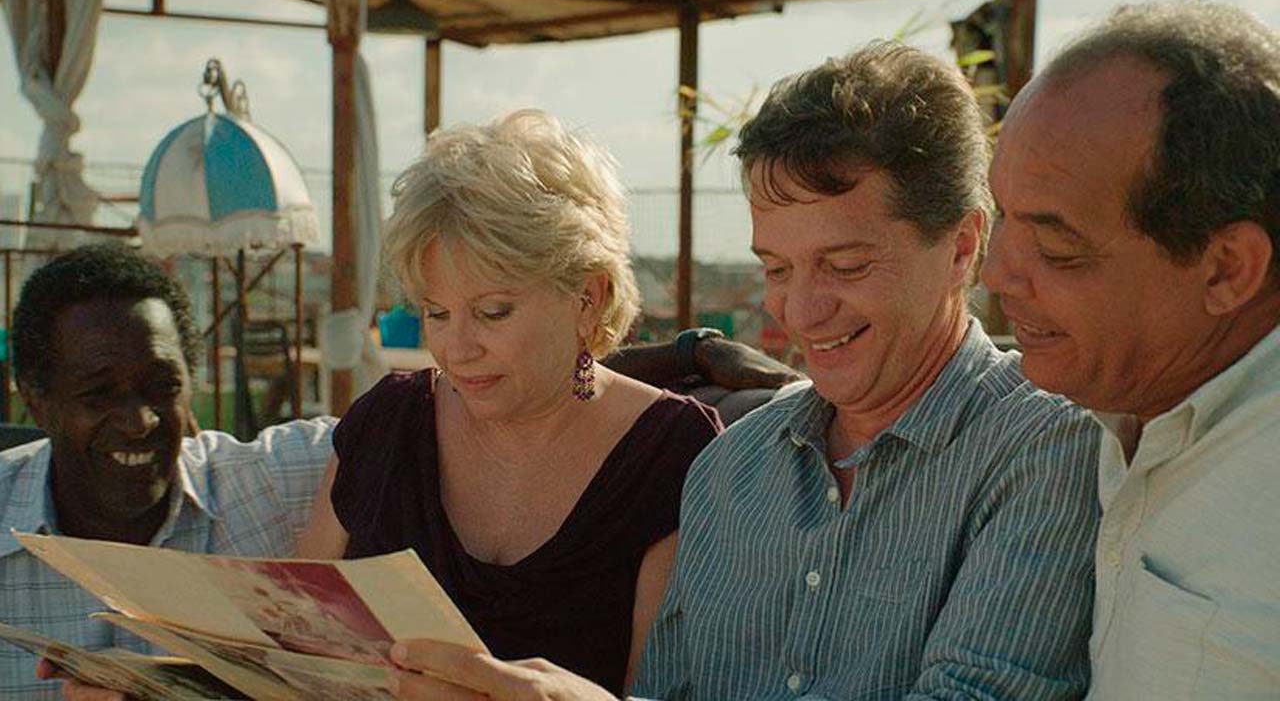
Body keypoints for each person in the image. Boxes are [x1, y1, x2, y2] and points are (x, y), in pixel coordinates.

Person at [384, 42, 1102, 701]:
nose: (802, 310)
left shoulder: (1043, 447)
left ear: (962, 246)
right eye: (777, 269)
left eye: (846, 265)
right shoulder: (731, 468)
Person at [297, 109, 724, 697]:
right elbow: (293, 642)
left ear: (588, 296)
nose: (457, 349)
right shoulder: (385, 423)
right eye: (436, 313)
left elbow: (665, 691)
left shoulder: (677, 456)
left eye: (493, 312)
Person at [980, 0, 1280, 699]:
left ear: (1226, 269)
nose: (995, 274)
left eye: (1057, 248)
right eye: (1002, 217)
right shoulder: (1117, 409)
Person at [0, 243, 335, 700]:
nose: (139, 422)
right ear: (36, 401)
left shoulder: (265, 487)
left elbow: (400, 418)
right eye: (97, 395)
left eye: (162, 387)